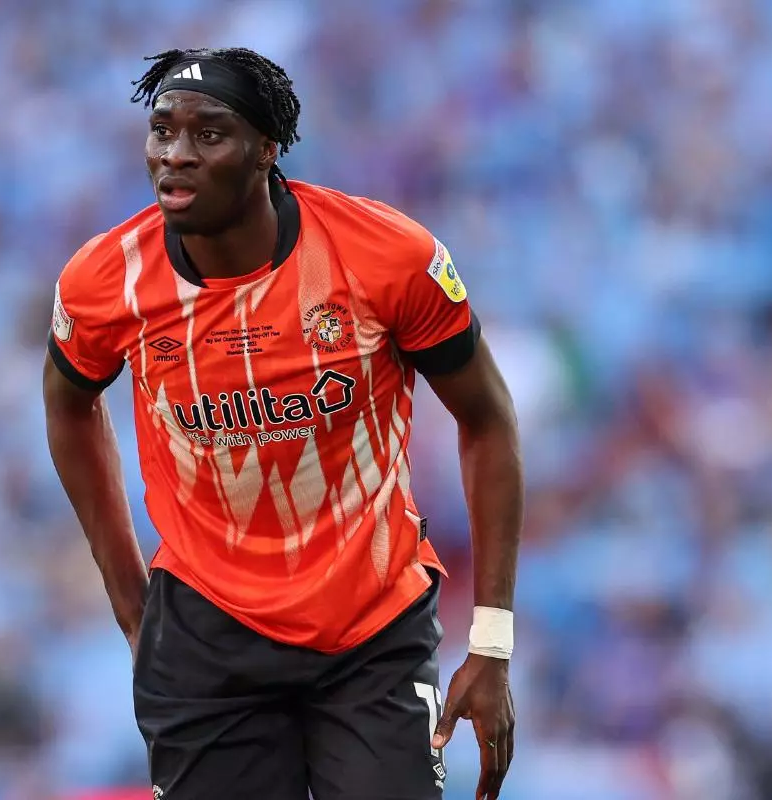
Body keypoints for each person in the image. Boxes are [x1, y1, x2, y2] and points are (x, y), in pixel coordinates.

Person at [42, 47, 523, 800]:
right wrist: (131, 603)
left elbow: (488, 422)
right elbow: (69, 406)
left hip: (371, 629)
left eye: (209, 134)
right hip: (206, 641)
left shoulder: (384, 258)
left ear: (268, 149)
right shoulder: (107, 282)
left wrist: (491, 641)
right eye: (163, 130)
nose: (176, 154)